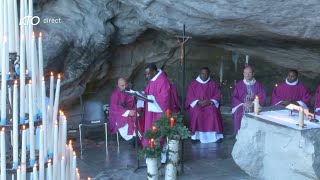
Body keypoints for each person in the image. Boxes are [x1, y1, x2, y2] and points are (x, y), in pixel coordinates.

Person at [185, 67, 223, 143]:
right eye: (202, 73)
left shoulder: (213, 83)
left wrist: (210, 101)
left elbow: (218, 94)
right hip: (198, 105)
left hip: (210, 104)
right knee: (197, 113)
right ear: (200, 73)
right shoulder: (193, 84)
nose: (204, 75)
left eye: (206, 73)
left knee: (213, 113)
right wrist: (198, 102)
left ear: (208, 74)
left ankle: (215, 137)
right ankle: (196, 137)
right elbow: (190, 96)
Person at [142, 63, 172, 145]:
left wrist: (150, 98)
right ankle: (150, 146)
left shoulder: (163, 80)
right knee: (150, 127)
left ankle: (158, 146)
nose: (147, 76)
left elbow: (165, 97)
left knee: (158, 129)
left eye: (148, 74)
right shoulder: (153, 79)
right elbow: (147, 92)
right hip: (151, 109)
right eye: (146, 74)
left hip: (158, 111)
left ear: (154, 72)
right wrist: (141, 95)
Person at [232, 66, 266, 135]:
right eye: (246, 73)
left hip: (255, 106)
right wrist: (242, 104)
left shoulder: (258, 85)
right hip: (242, 106)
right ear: (243, 74)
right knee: (238, 114)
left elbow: (262, 96)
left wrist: (253, 103)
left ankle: (254, 135)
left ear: (253, 74)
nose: (247, 75)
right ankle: (240, 135)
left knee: (258, 115)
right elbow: (234, 97)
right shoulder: (239, 85)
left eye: (249, 73)